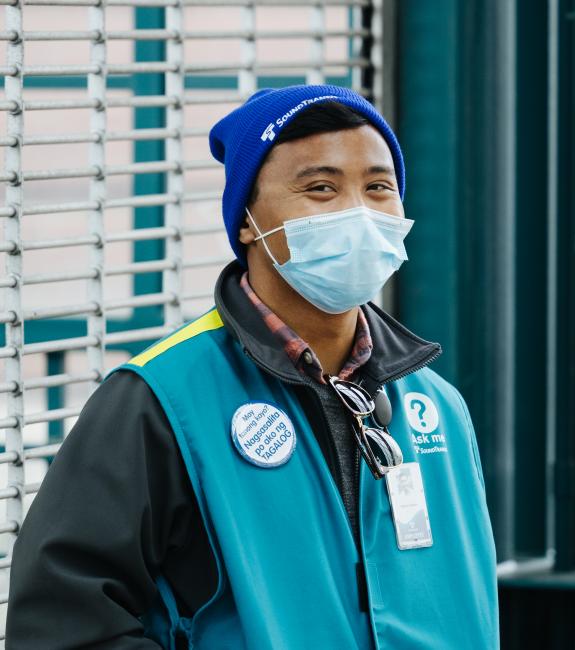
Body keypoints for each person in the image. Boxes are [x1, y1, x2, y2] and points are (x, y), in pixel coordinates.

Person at [7, 84, 499, 649]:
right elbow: (63, 621)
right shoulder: (161, 400)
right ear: (247, 220)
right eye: (320, 188)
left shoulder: (435, 405)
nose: (359, 213)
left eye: (379, 188)